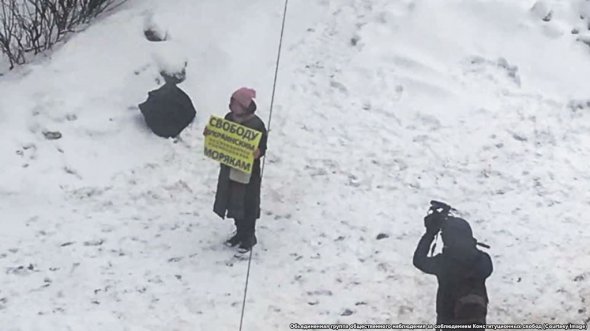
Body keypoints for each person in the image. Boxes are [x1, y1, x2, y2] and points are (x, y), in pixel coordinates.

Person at [204, 87, 268, 253]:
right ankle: (239, 232)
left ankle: (249, 236)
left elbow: (262, 146)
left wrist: (257, 153)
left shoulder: (256, 124)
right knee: (232, 201)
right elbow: (222, 136)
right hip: (230, 168)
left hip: (247, 173)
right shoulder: (228, 118)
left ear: (243, 105)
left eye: (234, 102)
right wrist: (211, 135)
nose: (230, 104)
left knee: (248, 203)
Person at [413, 203, 493, 330]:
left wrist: (430, 233)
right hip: (476, 322)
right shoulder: (483, 260)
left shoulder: (444, 263)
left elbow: (419, 260)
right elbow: (486, 268)